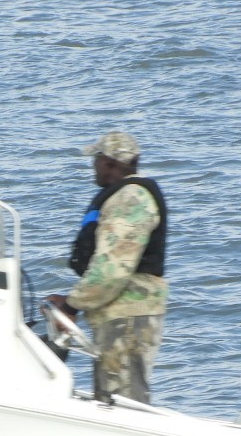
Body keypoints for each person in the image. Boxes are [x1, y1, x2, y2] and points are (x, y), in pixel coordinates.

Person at [47, 131, 167, 404]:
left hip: (128, 317)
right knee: (110, 398)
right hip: (120, 313)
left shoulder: (130, 199)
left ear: (109, 164)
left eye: (96, 159)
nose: (93, 166)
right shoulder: (123, 197)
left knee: (124, 401)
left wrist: (71, 305)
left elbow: (112, 270)